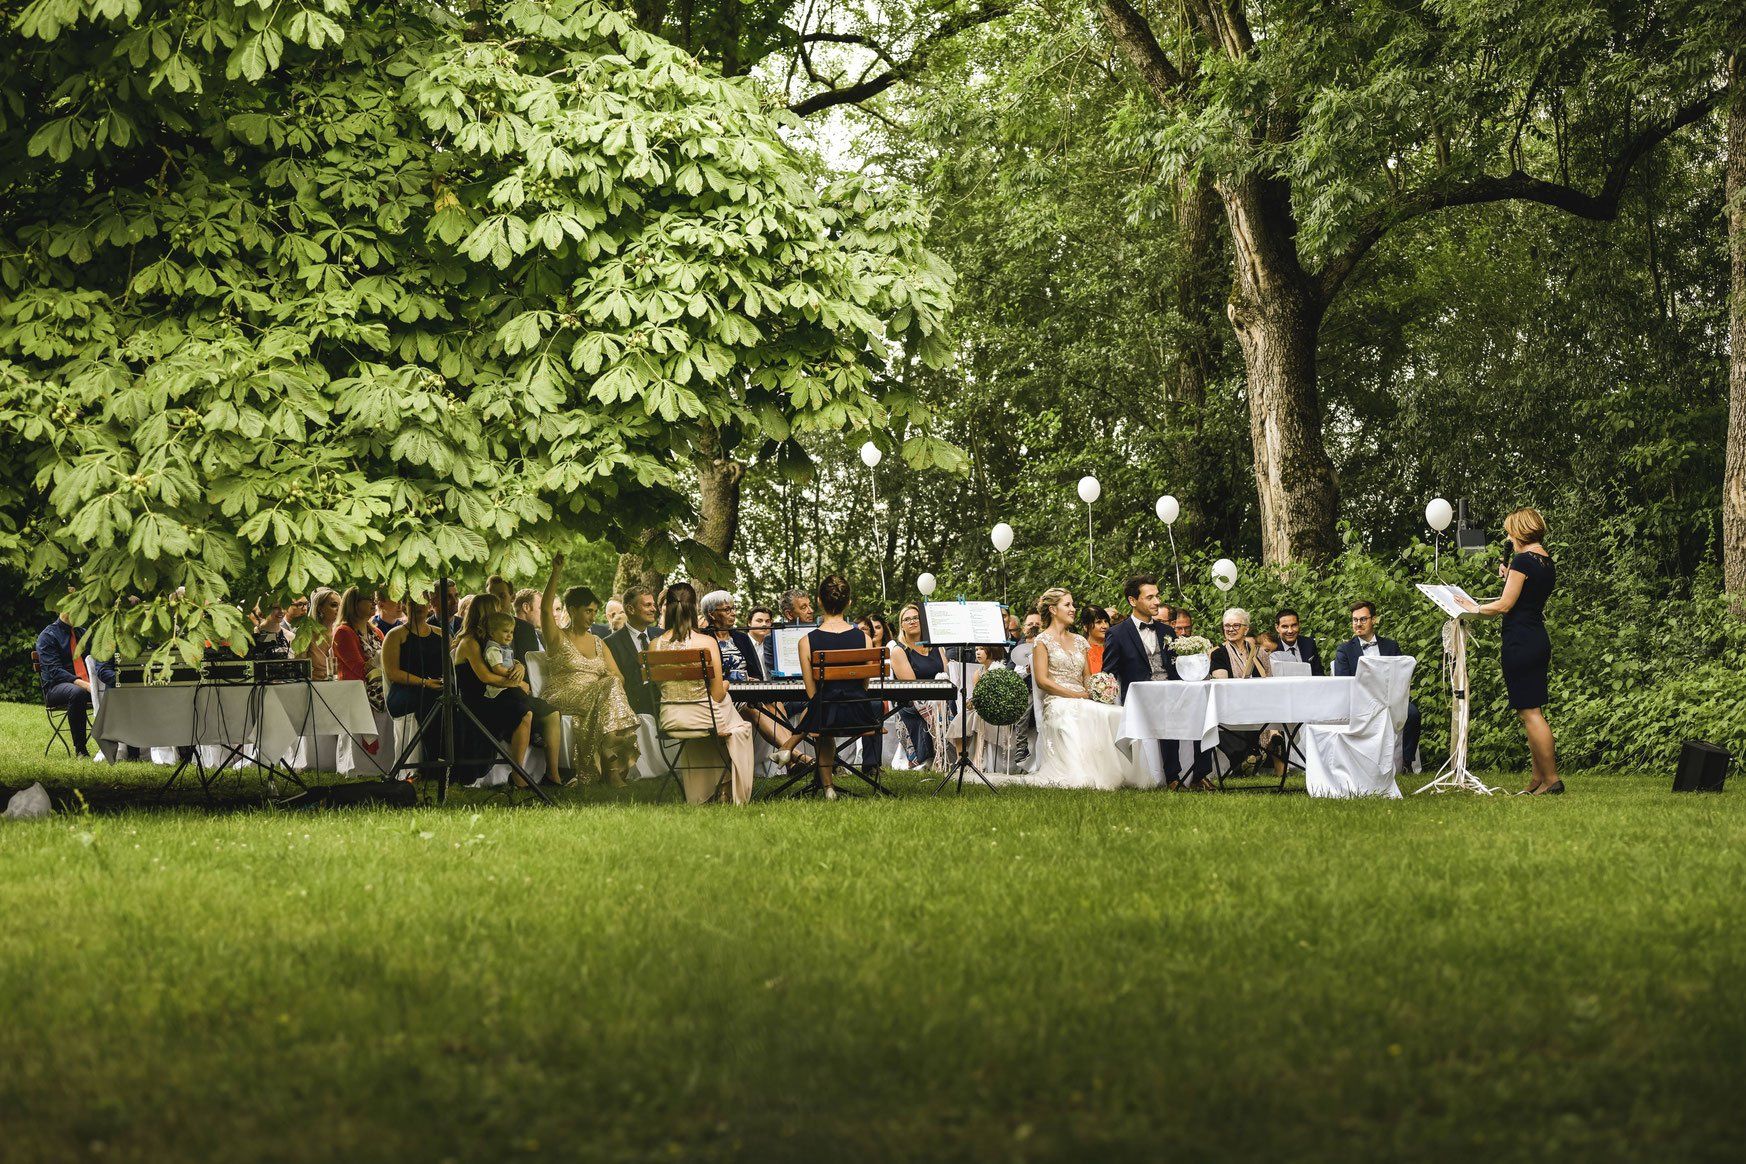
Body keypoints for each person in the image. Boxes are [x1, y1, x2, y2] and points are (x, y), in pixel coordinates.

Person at [1023, 588, 1146, 789]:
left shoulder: (1080, 641)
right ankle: (1085, 774)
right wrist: (1076, 695)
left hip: (1083, 697)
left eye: (1072, 604)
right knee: (1080, 710)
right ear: (1053, 609)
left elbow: (1087, 677)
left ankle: (1121, 773)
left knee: (1117, 712)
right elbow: (1042, 681)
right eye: (1067, 605)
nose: (1073, 609)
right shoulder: (1042, 641)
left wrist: (1100, 688)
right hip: (1057, 700)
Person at [1476, 507, 1560, 795]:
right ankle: (1538, 780)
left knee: (1531, 713)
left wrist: (1470, 608)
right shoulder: (1545, 561)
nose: (1509, 537)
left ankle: (1551, 780)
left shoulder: (1523, 560)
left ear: (1520, 530)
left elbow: (1504, 605)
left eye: (1511, 531)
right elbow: (1525, 596)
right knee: (1531, 710)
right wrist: (1509, 574)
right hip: (1536, 637)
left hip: (1520, 640)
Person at [649, 582, 755, 804]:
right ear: (694, 608)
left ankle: (709, 791)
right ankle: (726, 789)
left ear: (666, 608)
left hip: (670, 718)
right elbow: (716, 694)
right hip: (704, 718)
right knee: (738, 727)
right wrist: (725, 684)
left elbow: (662, 688)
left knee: (719, 723)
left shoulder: (654, 645)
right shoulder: (706, 642)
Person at [539, 553, 639, 785]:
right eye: (588, 611)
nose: (593, 617)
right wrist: (555, 573)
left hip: (597, 697)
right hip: (562, 694)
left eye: (595, 611)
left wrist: (606, 679)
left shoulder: (598, 642)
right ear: (572, 610)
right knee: (609, 688)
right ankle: (611, 769)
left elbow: (619, 677)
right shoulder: (557, 638)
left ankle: (610, 764)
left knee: (612, 686)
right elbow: (545, 612)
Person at [1102, 573, 1199, 789]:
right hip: (1139, 702)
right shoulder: (1117, 634)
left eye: (1157, 596)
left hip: (1172, 694)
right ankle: (1163, 777)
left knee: (1201, 709)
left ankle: (1191, 776)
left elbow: (1176, 666)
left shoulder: (1167, 631)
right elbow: (1108, 673)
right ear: (1132, 601)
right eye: (1150, 597)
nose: (1157, 602)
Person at [796, 574, 875, 800]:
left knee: (821, 709)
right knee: (826, 709)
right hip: (860, 714)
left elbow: (812, 692)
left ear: (819, 601)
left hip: (824, 715)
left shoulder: (806, 642)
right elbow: (864, 684)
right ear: (849, 602)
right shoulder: (865, 640)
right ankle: (828, 785)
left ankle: (828, 787)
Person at [452, 593, 538, 782]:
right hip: (476, 701)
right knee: (524, 712)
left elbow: (505, 660)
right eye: (497, 610)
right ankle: (518, 774)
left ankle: (524, 769)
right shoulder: (469, 642)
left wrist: (519, 665)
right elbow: (486, 677)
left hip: (493, 695)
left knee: (528, 707)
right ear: (487, 614)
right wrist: (518, 683)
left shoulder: (491, 641)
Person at [700, 589, 797, 756]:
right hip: (724, 695)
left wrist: (752, 679)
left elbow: (757, 673)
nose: (733, 613)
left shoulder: (741, 638)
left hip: (748, 691)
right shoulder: (704, 638)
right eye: (727, 609)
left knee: (775, 702)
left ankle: (788, 755)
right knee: (750, 708)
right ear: (712, 614)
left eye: (733, 608)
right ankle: (797, 756)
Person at [1333, 600, 1422, 773]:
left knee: (1412, 713)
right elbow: (1343, 681)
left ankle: (1407, 762)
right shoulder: (1344, 650)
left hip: (1390, 699)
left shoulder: (1390, 645)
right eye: (1355, 620)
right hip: (1361, 701)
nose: (1358, 624)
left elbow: (1401, 676)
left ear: (1374, 620)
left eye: (1363, 619)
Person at [36, 608, 108, 758]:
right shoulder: (47, 636)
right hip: (56, 688)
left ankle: (128, 749)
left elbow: (98, 659)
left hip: (88, 686)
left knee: (116, 688)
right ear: (60, 609)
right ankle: (81, 750)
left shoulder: (83, 633)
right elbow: (55, 671)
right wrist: (87, 686)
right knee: (77, 692)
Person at [890, 602, 951, 769]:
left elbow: (946, 676)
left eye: (916, 618)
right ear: (901, 625)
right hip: (913, 705)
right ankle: (932, 757)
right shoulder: (899, 651)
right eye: (907, 619)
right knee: (937, 708)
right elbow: (913, 688)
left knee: (951, 704)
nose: (912, 621)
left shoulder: (937, 647)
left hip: (939, 700)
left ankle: (954, 756)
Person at [382, 591, 446, 731]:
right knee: (430, 700)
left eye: (422, 602)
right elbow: (392, 673)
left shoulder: (441, 634)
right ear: (404, 607)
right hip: (406, 691)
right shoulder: (395, 635)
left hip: (436, 688)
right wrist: (424, 682)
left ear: (429, 605)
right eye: (413, 602)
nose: (418, 606)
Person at [604, 585, 660, 718]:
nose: (653, 609)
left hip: (665, 704)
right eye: (647, 605)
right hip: (633, 710)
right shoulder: (610, 643)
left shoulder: (661, 636)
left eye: (653, 604)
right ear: (630, 609)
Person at [333, 588, 385, 714]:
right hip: (356, 698)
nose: (374, 603)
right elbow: (360, 668)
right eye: (369, 600)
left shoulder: (376, 632)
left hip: (381, 694)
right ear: (354, 604)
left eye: (375, 600)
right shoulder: (343, 632)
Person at [306, 587, 341, 681]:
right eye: (334, 605)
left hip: (341, 687)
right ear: (320, 608)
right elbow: (299, 667)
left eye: (341, 606)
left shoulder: (342, 633)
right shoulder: (307, 633)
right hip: (313, 688)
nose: (339, 609)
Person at [1273, 608, 1323, 674]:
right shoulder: (1272, 647)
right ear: (1277, 628)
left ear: (1299, 625)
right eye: (1285, 627)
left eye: (1294, 625)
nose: (1290, 631)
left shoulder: (1309, 644)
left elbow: (1319, 674)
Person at [481, 613, 520, 698]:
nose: (509, 635)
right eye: (505, 631)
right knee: (520, 700)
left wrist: (518, 665)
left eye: (511, 632)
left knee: (525, 698)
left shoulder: (505, 648)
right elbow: (497, 669)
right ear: (492, 633)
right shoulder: (493, 649)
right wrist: (513, 675)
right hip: (499, 689)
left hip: (508, 685)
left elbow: (509, 660)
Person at [511, 588, 544, 661]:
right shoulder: (509, 636)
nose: (545, 613)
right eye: (541, 608)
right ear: (526, 607)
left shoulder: (542, 636)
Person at [1080, 603, 1112, 675]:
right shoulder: (1082, 650)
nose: (1104, 626)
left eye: (1106, 621)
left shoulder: (1114, 646)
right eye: (1098, 622)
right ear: (1085, 627)